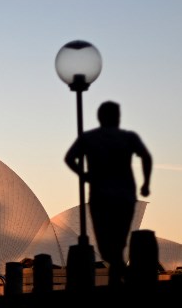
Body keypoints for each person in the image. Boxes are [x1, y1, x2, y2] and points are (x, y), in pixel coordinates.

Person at [65, 100, 152, 288]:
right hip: (124, 197)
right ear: (117, 117)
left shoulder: (89, 138)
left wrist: (84, 175)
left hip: (101, 196)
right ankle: (126, 277)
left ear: (100, 117)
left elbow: (69, 158)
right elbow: (146, 157)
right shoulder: (128, 137)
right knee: (116, 245)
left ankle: (115, 291)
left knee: (107, 247)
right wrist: (145, 183)